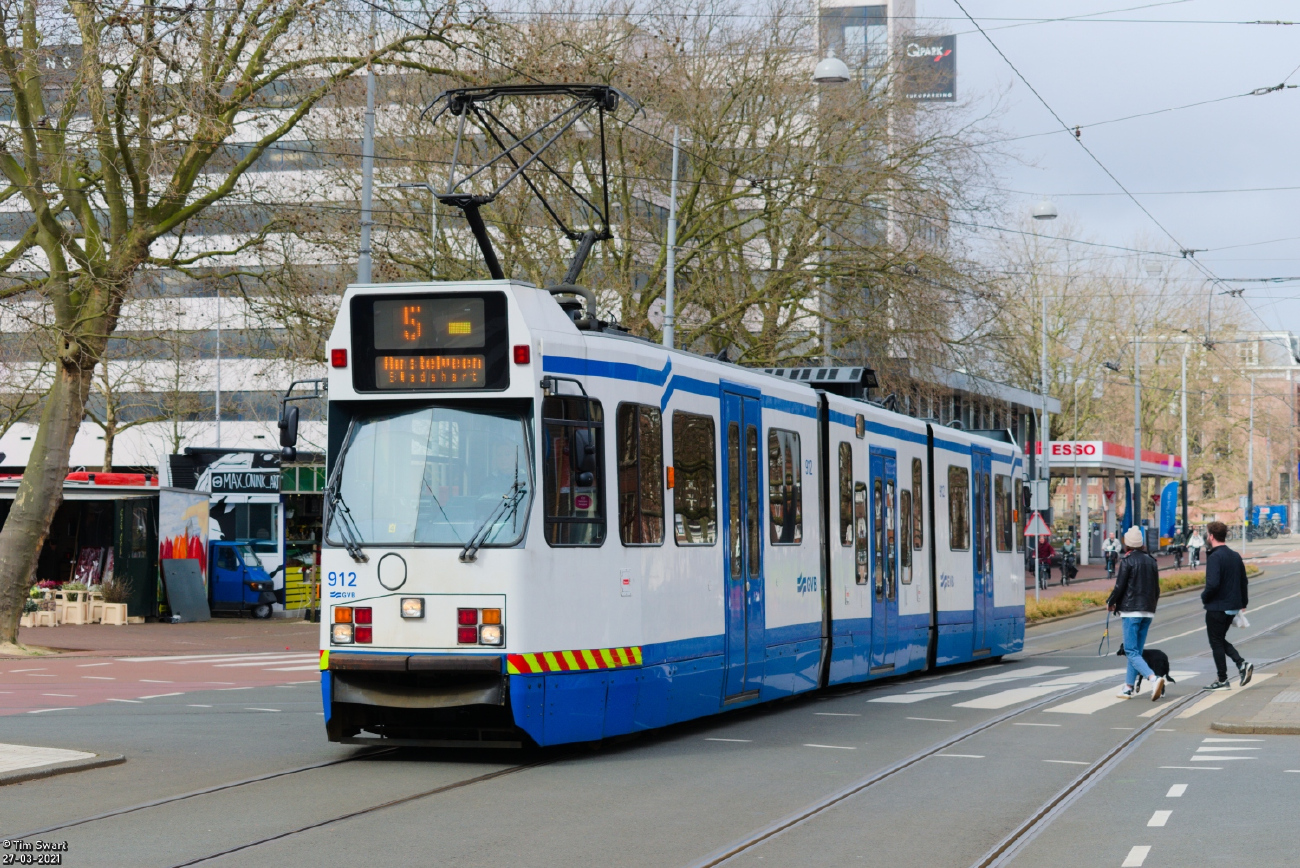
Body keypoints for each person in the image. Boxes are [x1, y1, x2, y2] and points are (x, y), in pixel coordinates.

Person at [1107, 526, 1165, 700]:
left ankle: (1153, 678)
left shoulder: (1128, 561)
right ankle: (1128, 687)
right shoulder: (1151, 561)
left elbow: (1120, 586)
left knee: (1131, 651)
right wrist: (1152, 606)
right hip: (1147, 611)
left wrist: (1111, 602)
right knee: (1136, 653)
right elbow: (1157, 589)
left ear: (1127, 544)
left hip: (1131, 611)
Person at [1201, 520, 1253, 691]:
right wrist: (1243, 603)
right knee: (1219, 639)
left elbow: (1213, 584)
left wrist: (1204, 597)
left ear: (1211, 536)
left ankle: (1223, 678)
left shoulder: (1215, 556)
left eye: (1207, 534)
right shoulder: (1234, 555)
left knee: (1215, 641)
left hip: (1217, 606)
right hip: (1232, 607)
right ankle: (1241, 664)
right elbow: (1243, 581)